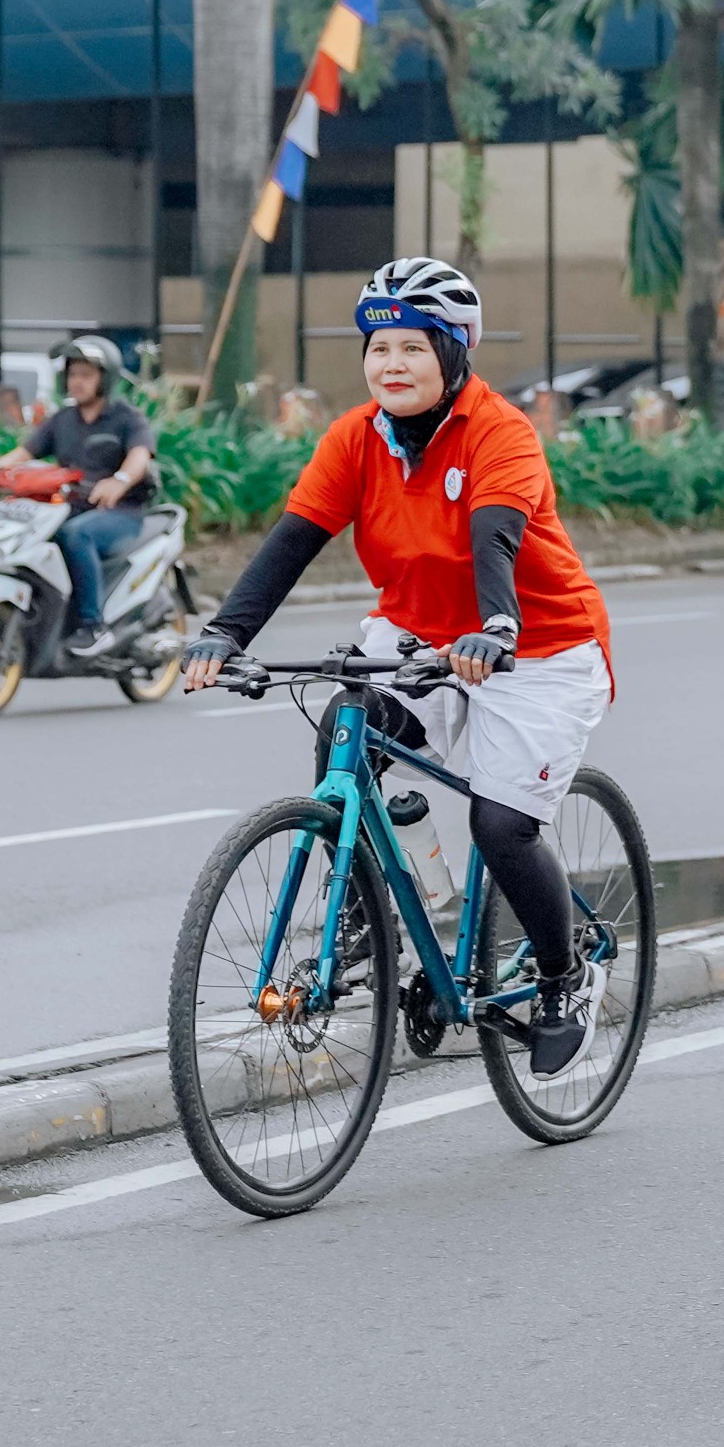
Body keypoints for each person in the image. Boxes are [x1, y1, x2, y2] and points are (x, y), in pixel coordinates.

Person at [180, 258, 614, 1077]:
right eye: (379, 347)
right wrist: (223, 634)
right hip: (417, 635)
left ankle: (563, 975)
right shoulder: (355, 437)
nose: (392, 365)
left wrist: (494, 624)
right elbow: (294, 541)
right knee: (350, 730)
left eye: (413, 347)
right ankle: (363, 905)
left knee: (502, 825)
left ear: (455, 355)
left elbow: (495, 535)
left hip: (537, 647)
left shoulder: (499, 430)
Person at [0, 335, 156, 657]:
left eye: (86, 374)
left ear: (104, 378)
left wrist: (120, 480)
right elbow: (23, 452)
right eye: (73, 374)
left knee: (76, 535)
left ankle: (92, 626)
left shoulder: (126, 417)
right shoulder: (62, 420)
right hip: (68, 507)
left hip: (121, 512)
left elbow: (140, 456)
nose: (78, 382)